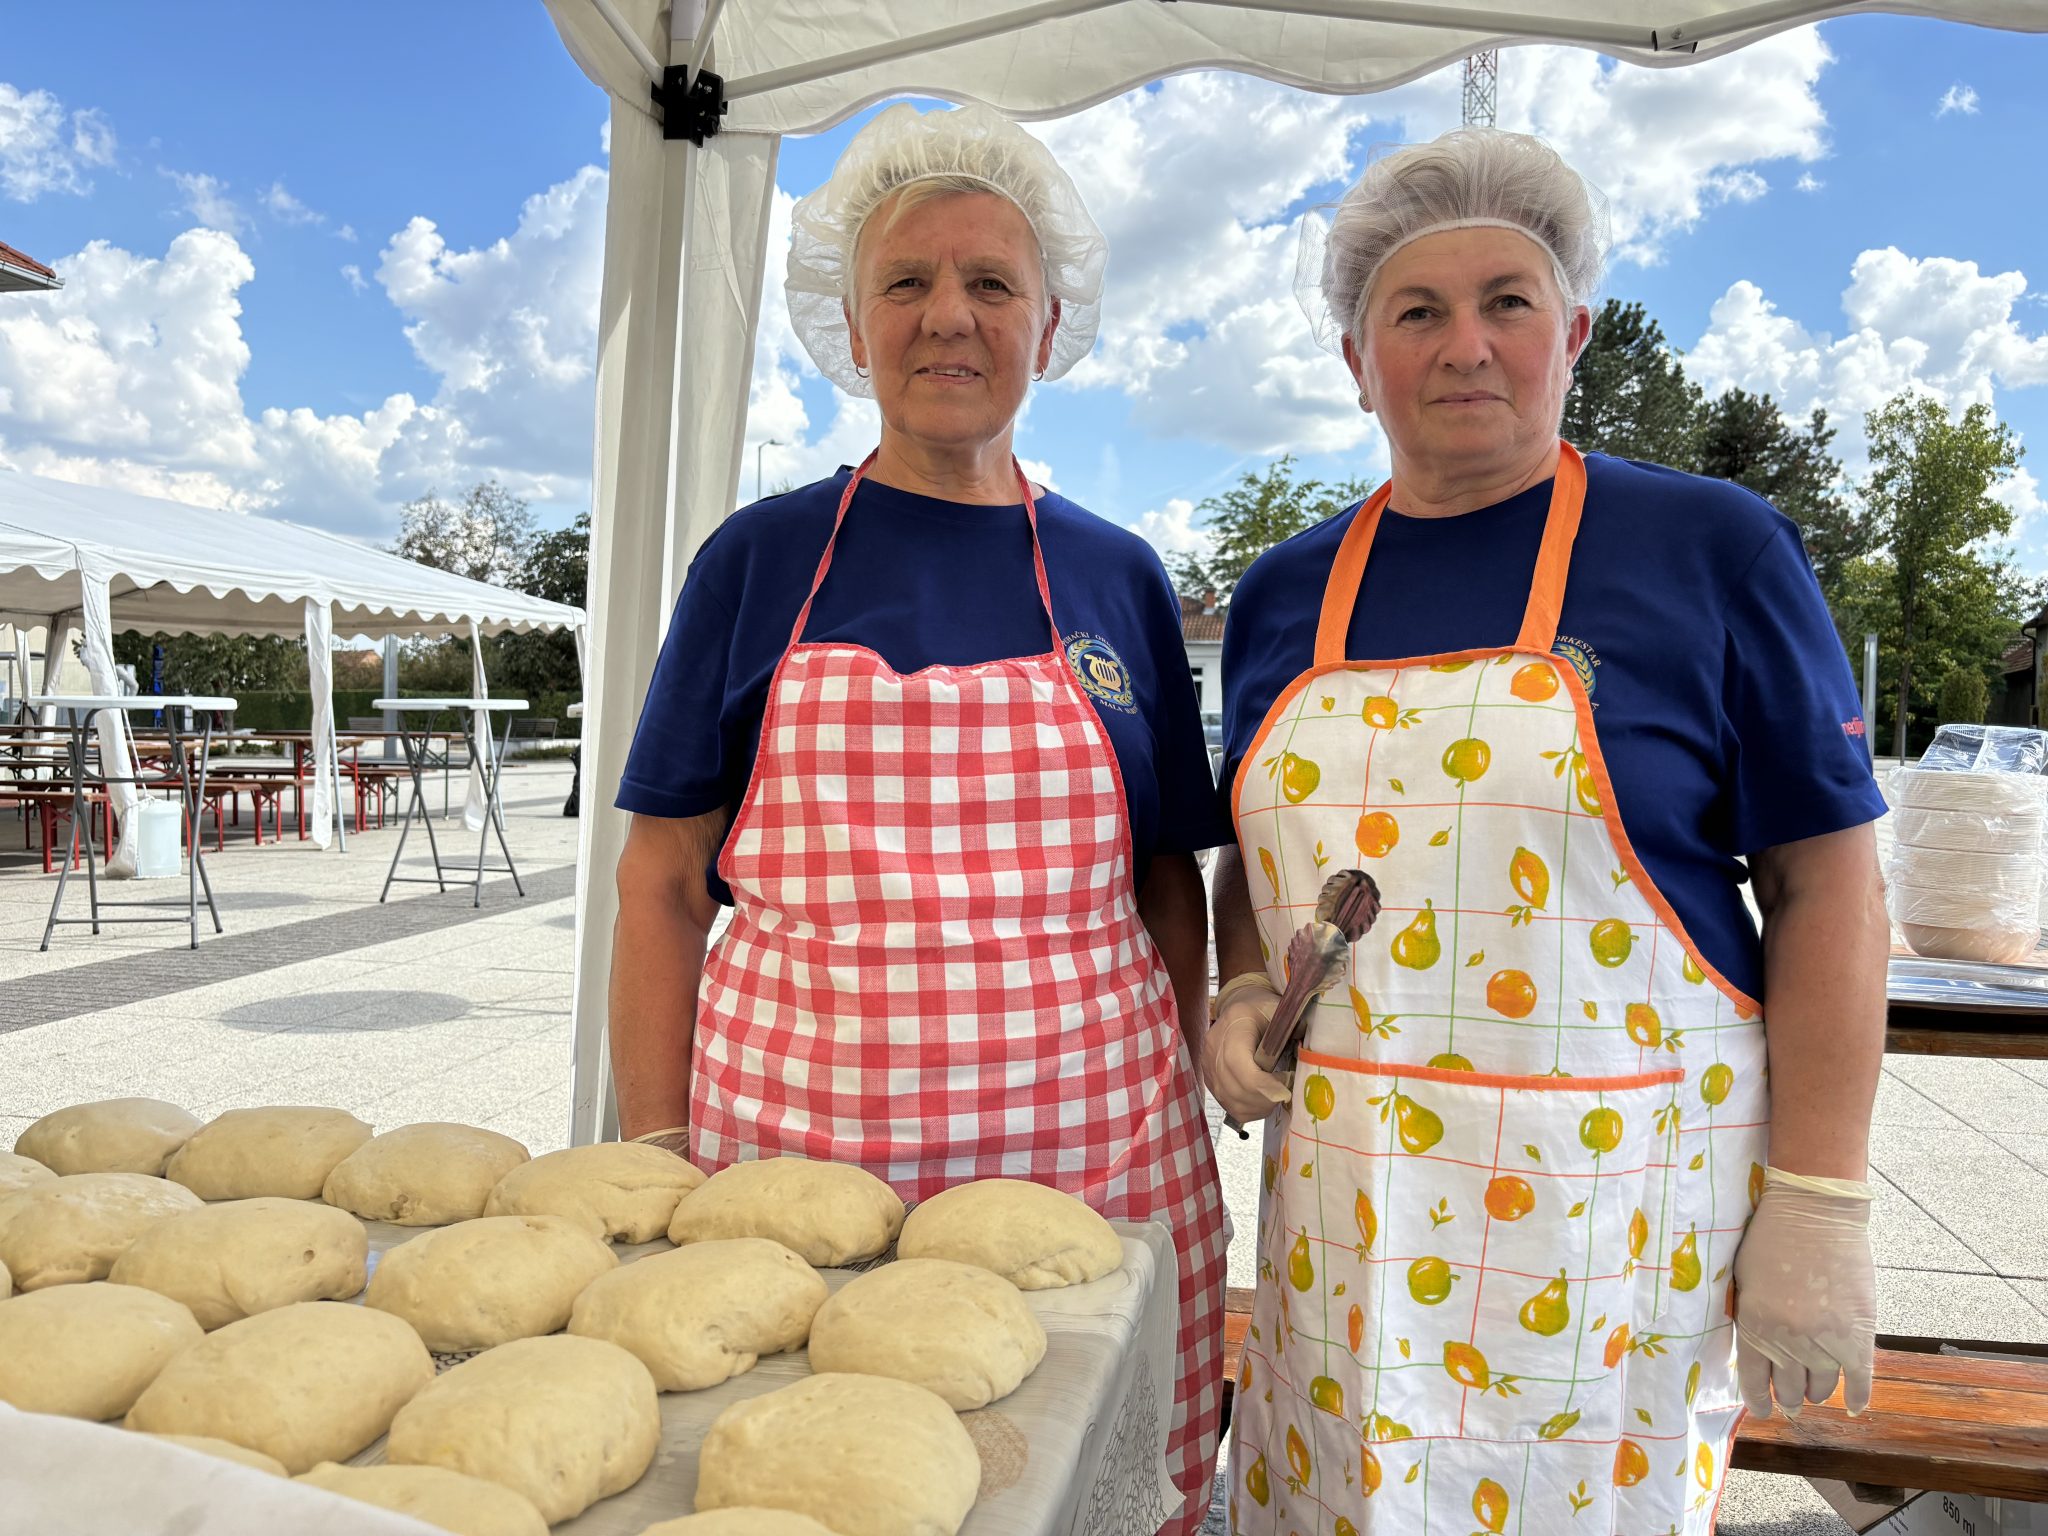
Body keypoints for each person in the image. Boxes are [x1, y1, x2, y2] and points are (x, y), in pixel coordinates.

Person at [1202, 129, 1887, 1535]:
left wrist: (1822, 1196)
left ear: (1571, 332)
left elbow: (1828, 884)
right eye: (1416, 311)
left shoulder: (1713, 548)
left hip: (1608, 1229)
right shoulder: (1280, 595)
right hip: (1346, 1230)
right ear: (1358, 361)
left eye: (1506, 301)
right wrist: (1242, 983)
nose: (1466, 345)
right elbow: (1252, 858)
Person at [608, 103, 1230, 1536]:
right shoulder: (759, 559)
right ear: (852, 321)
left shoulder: (1118, 574)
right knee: (809, 1485)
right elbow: (662, 881)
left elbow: (1165, 877)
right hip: (795, 1163)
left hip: (1095, 1157)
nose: (950, 315)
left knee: (1091, 1490)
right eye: (907, 281)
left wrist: (1183, 1093)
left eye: (991, 282)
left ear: (1050, 323)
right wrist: (656, 1149)